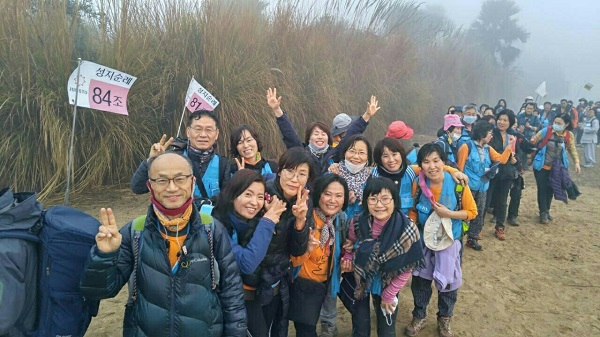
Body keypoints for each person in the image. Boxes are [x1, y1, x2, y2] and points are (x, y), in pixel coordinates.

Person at [80, 152, 246, 336]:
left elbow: (232, 295)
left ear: (191, 182)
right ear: (150, 186)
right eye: (162, 181)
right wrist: (105, 256)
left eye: (179, 179)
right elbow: (101, 291)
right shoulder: (135, 232)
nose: (172, 187)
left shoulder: (212, 230)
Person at [405, 144, 477, 337]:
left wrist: (449, 213)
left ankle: (445, 319)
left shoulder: (458, 184)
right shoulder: (418, 184)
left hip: (450, 242)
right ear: (420, 165)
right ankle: (419, 315)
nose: (432, 166)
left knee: (449, 282)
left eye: (436, 160)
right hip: (423, 241)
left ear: (443, 162)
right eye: (426, 162)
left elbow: (471, 212)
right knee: (420, 280)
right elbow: (412, 210)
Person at [341, 177, 425, 337]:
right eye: (373, 199)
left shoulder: (407, 228)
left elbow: (408, 266)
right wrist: (348, 257)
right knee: (360, 327)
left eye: (385, 199)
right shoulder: (358, 222)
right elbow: (350, 243)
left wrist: (390, 294)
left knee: (386, 330)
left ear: (395, 200)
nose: (379, 205)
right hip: (360, 281)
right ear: (366, 201)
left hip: (389, 283)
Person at [255, 147, 313, 337]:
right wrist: (268, 218)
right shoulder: (262, 193)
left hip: (278, 280)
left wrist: (300, 221)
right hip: (252, 278)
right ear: (279, 170)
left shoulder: (304, 201)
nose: (294, 179)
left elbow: (298, 250)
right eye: (289, 171)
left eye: (301, 174)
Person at [267, 88, 379, 177]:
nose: (320, 137)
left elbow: (351, 134)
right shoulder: (301, 152)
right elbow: (289, 134)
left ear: (328, 137)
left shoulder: (335, 154)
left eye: (323, 134)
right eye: (316, 134)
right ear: (309, 138)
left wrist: (367, 116)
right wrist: (277, 110)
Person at [289, 174, 350, 337]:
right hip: (303, 284)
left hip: (327, 282)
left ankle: (328, 326)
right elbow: (291, 252)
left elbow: (344, 247)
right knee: (306, 329)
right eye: (327, 194)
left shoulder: (341, 220)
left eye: (339, 195)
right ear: (318, 195)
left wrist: (348, 252)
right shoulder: (306, 216)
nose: (332, 200)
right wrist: (306, 248)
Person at [130, 109, 230, 206]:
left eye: (208, 130)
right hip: (174, 221)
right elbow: (138, 188)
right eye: (198, 129)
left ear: (216, 134)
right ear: (188, 132)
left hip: (208, 221)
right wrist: (151, 162)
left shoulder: (222, 164)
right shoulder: (170, 158)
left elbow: (227, 199)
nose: (203, 135)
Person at [212, 169, 287, 275]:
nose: (254, 203)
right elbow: (247, 265)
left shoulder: (254, 218)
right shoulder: (214, 222)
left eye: (260, 197)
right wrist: (267, 222)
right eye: (248, 194)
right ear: (233, 195)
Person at [457, 121, 513, 250]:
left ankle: (472, 238)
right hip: (468, 188)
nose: (491, 136)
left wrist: (509, 146)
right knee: (464, 213)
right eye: (489, 134)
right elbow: (459, 169)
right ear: (481, 134)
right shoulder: (466, 147)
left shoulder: (488, 149)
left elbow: (501, 159)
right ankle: (458, 239)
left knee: (479, 213)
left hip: (483, 187)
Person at [488, 110, 535, 239]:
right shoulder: (491, 134)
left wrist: (516, 161)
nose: (501, 122)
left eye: (505, 120)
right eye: (500, 119)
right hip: (491, 172)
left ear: (510, 123)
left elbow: (519, 154)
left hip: (507, 173)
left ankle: (500, 227)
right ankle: (477, 229)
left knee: (503, 201)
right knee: (486, 202)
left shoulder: (514, 137)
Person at [530, 113, 581, 224]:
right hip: (541, 165)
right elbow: (534, 140)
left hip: (556, 168)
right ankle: (543, 212)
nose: (556, 125)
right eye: (555, 122)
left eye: (559, 123)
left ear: (566, 124)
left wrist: (576, 162)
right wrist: (533, 140)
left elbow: (572, 150)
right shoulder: (545, 131)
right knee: (542, 188)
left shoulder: (569, 136)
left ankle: (546, 210)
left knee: (551, 188)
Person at [332, 134, 373, 219]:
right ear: (345, 152)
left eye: (361, 153)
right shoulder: (332, 175)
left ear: (368, 156)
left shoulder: (372, 180)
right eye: (352, 151)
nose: (356, 156)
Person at [516, 102, 541, 170]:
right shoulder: (519, 116)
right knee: (519, 153)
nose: (529, 110)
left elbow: (537, 128)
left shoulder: (535, 118)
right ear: (525, 108)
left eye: (531, 109)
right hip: (520, 138)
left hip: (529, 139)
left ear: (533, 110)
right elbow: (515, 126)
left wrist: (530, 126)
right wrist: (519, 129)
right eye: (528, 108)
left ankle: (525, 167)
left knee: (526, 154)